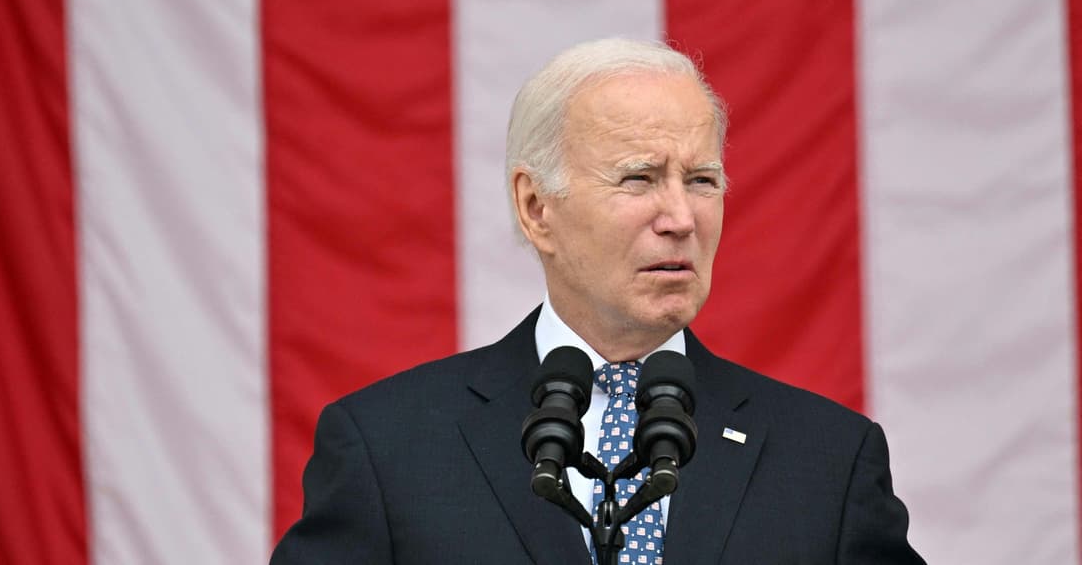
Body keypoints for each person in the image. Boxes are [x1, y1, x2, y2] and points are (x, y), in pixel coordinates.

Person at [271, 38, 924, 564]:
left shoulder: (828, 461)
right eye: (639, 178)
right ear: (536, 208)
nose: (681, 218)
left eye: (702, 180)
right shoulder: (388, 448)